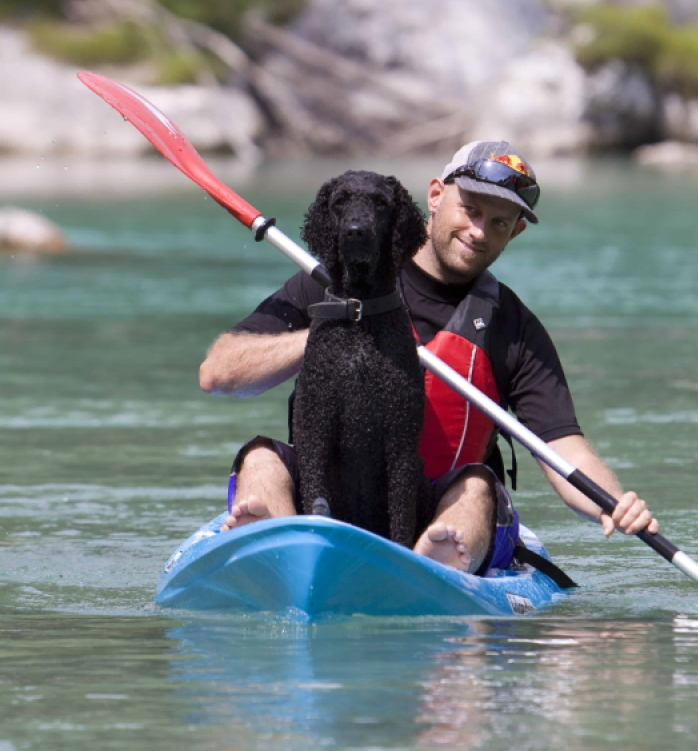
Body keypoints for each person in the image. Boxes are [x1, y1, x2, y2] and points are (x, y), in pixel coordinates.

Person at [198, 140, 659, 574]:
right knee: (260, 456)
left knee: (477, 486)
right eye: (471, 210)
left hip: (434, 501)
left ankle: (427, 563)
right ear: (436, 196)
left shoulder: (514, 328)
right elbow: (218, 373)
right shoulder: (335, 280)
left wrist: (612, 501)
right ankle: (282, 552)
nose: (479, 232)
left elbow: (561, 445)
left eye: (498, 223)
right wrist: (332, 327)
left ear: (515, 232)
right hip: (330, 496)